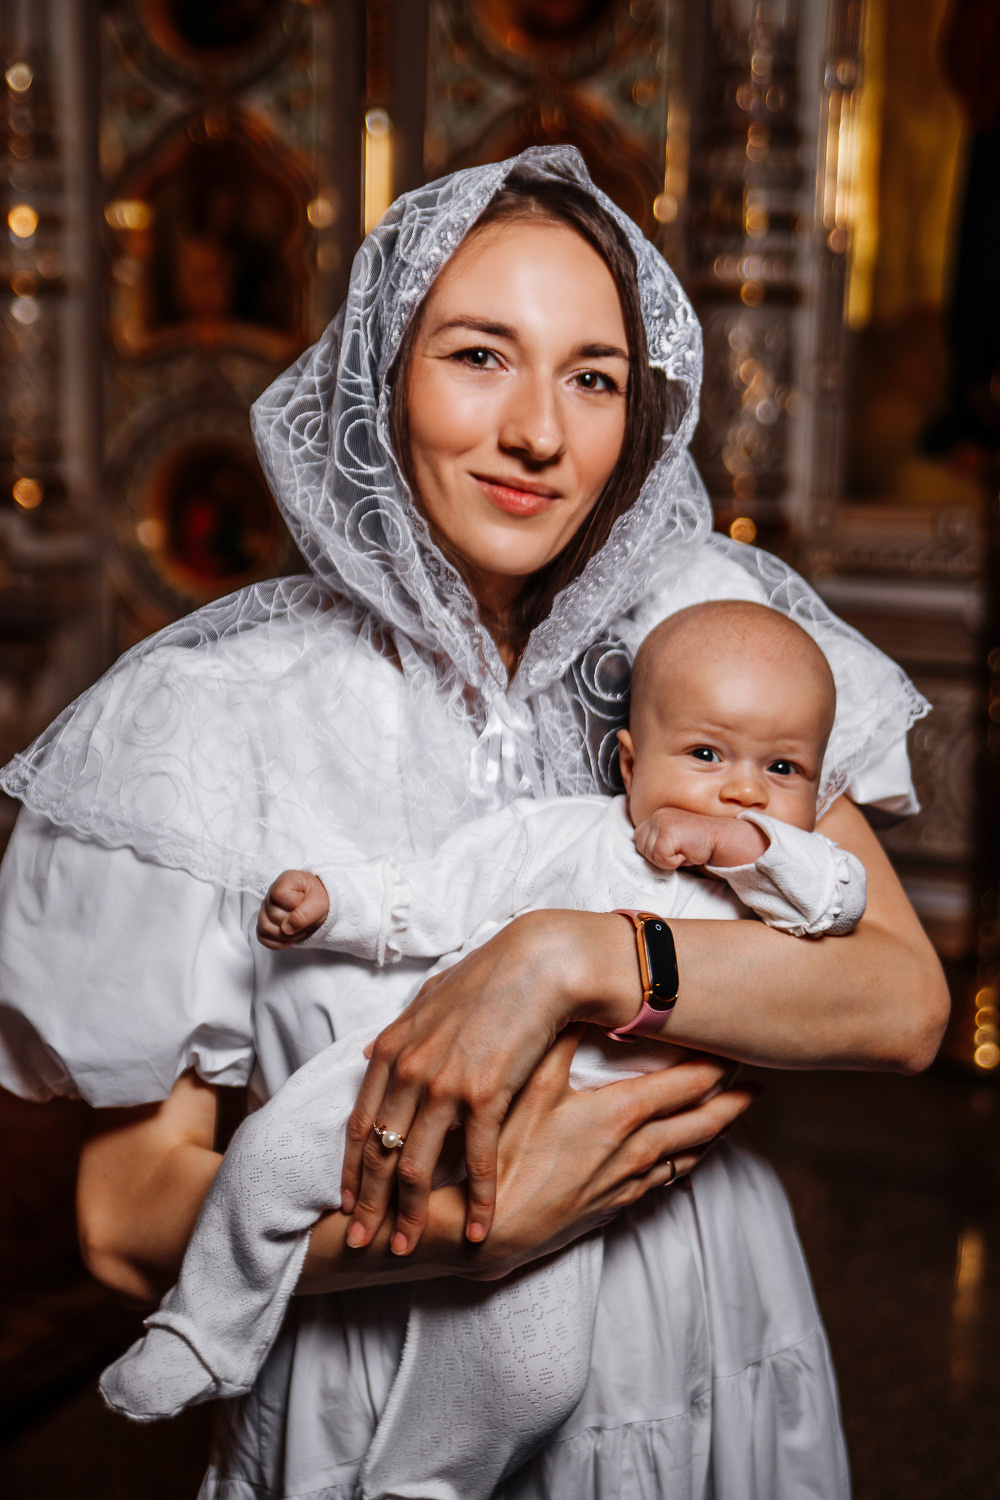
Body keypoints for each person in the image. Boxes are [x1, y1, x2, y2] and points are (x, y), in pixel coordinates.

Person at [0, 148, 947, 1500]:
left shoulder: (704, 640)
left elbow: (901, 999)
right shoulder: (207, 715)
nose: (541, 435)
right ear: (380, 381)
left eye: (594, 376)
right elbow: (121, 1211)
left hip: (709, 1355)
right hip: (371, 1396)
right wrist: (465, 1238)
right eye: (479, 356)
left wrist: (567, 955)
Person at [98, 599, 870, 1500]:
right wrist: (335, 906)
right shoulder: (578, 833)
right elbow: (442, 888)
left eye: (783, 769)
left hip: (577, 1159)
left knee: (532, 1374)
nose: (743, 789)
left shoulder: (779, 889)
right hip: (424, 1071)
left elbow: (841, 895)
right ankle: (204, 1328)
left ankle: (420, 1482)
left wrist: (748, 847)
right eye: (705, 756)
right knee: (268, 1156)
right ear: (631, 765)